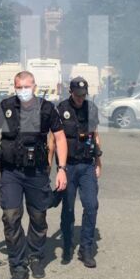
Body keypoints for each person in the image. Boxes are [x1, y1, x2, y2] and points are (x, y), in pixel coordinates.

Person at [0, 71, 68, 279]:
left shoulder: (47, 109)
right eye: (19, 87)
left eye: (27, 86)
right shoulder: (6, 107)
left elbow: (60, 138)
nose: (23, 91)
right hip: (11, 171)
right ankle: (18, 265)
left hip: (37, 172)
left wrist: (61, 168)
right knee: (11, 217)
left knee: (38, 217)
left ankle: (35, 257)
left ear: (34, 86)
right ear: (14, 87)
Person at [54, 77, 103, 268]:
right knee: (67, 208)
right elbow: (54, 139)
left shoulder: (91, 109)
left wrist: (99, 162)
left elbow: (95, 135)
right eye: (77, 95)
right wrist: (52, 166)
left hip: (87, 165)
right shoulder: (61, 109)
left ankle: (86, 249)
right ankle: (67, 246)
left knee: (91, 206)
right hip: (68, 166)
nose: (81, 98)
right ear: (71, 92)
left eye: (83, 95)